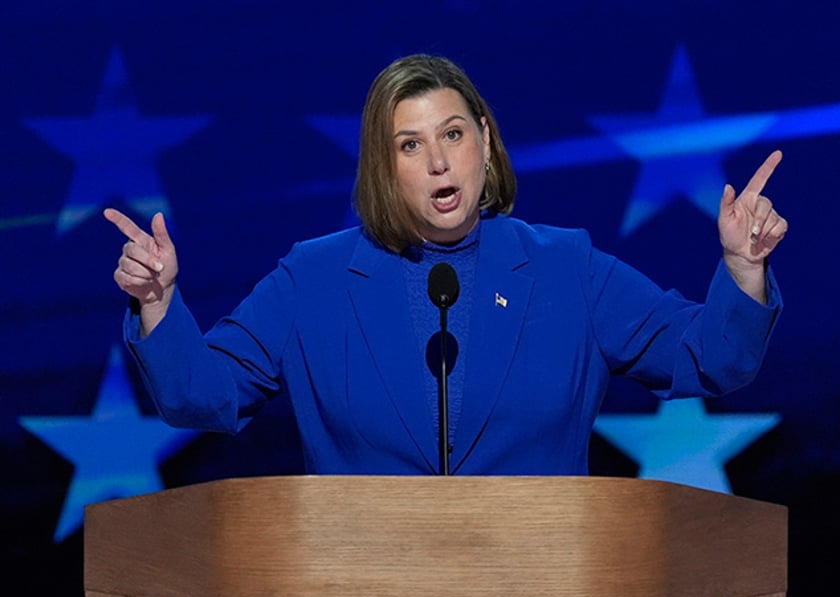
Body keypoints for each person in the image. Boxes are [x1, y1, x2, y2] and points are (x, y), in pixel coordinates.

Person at [105, 53, 787, 476]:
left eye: (453, 134)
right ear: (384, 165)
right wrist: (160, 301)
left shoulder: (566, 269)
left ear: (484, 142)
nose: (438, 161)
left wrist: (743, 269)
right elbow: (201, 392)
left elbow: (710, 358)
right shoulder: (312, 280)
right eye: (409, 145)